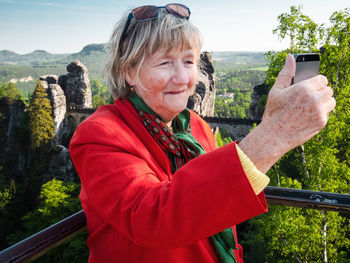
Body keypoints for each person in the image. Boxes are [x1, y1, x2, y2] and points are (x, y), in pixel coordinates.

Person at [69, 3, 336, 263]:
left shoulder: (196, 127)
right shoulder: (99, 134)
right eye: (164, 63)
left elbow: (219, 218)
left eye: (188, 61)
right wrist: (273, 136)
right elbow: (151, 217)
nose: (182, 77)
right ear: (129, 71)